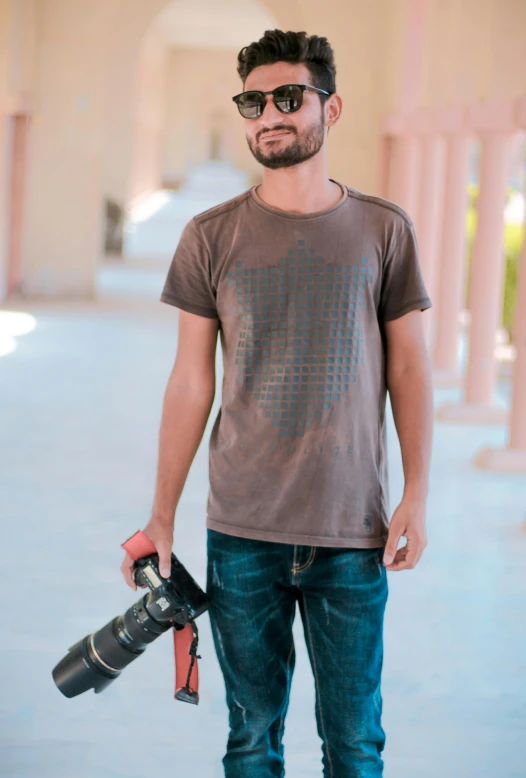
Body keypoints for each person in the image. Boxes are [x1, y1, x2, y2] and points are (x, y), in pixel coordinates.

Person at [121, 28, 433, 778]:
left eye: (289, 97)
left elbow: (411, 368)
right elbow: (190, 381)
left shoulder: (383, 230)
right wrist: (160, 516)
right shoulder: (210, 236)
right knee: (251, 739)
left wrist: (417, 492)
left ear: (332, 109)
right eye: (253, 101)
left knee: (355, 743)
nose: (270, 114)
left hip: (351, 531)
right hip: (242, 533)